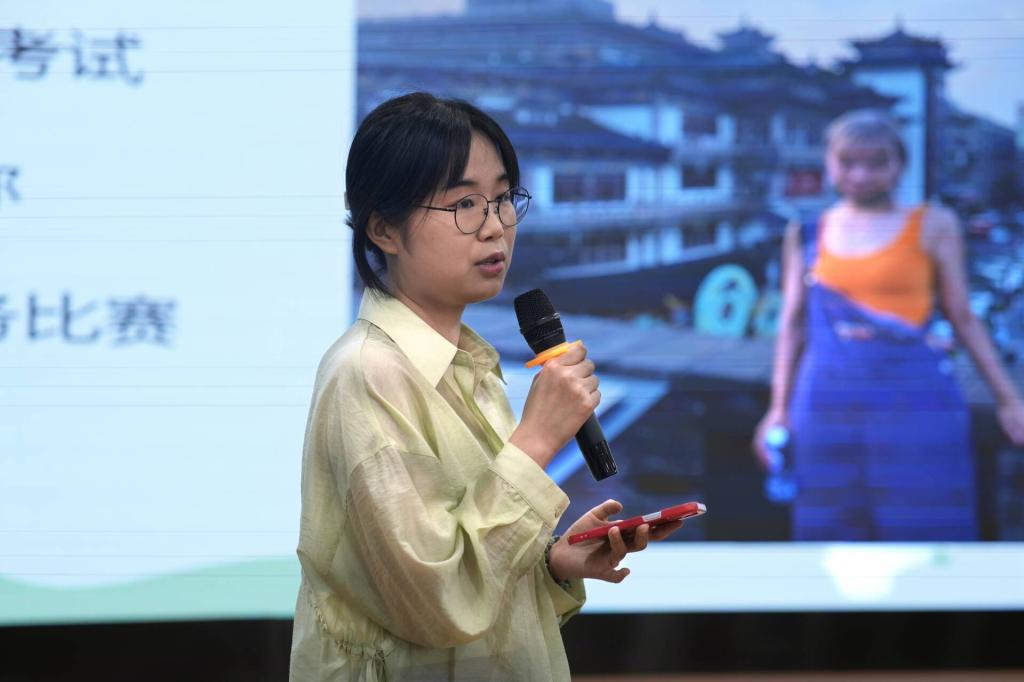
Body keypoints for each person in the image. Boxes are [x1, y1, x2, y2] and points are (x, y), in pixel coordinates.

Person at [289, 92, 683, 681]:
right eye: (465, 204)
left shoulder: (468, 364)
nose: (496, 226)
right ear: (384, 228)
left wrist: (549, 564)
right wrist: (537, 439)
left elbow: (469, 585)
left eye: (502, 198)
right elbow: (436, 603)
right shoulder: (368, 373)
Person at [753, 108, 1024, 541]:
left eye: (877, 162)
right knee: (830, 524)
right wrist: (779, 410)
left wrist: (1008, 400)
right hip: (825, 400)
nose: (861, 174)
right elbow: (793, 325)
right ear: (829, 163)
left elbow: (963, 317)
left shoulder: (934, 224)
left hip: (915, 398)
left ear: (900, 165)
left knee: (925, 521)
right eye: (848, 162)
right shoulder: (806, 232)